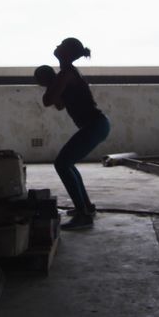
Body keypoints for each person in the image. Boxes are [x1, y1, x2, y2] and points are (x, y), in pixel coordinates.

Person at [40, 38, 111, 230]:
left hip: (95, 125)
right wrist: (52, 84)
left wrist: (49, 84)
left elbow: (47, 100)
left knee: (62, 163)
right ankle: (86, 207)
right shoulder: (66, 74)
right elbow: (60, 105)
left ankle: (83, 215)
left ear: (66, 53)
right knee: (67, 163)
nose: (56, 46)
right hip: (97, 125)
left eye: (61, 45)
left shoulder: (66, 74)